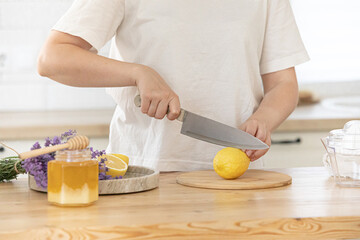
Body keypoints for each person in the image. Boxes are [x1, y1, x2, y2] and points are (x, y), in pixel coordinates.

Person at [38, 0, 309, 171]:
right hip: (141, 171)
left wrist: (264, 119)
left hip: (238, 174)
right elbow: (53, 58)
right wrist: (137, 73)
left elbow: (283, 83)